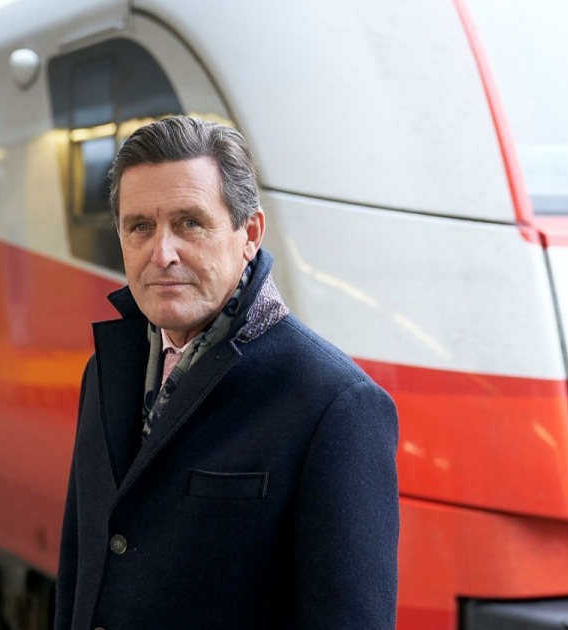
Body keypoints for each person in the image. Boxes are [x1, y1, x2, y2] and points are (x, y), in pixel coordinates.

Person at [54, 115, 398, 629]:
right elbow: (78, 572)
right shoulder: (104, 372)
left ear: (249, 233)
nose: (161, 254)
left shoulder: (334, 404)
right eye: (140, 226)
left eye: (189, 223)